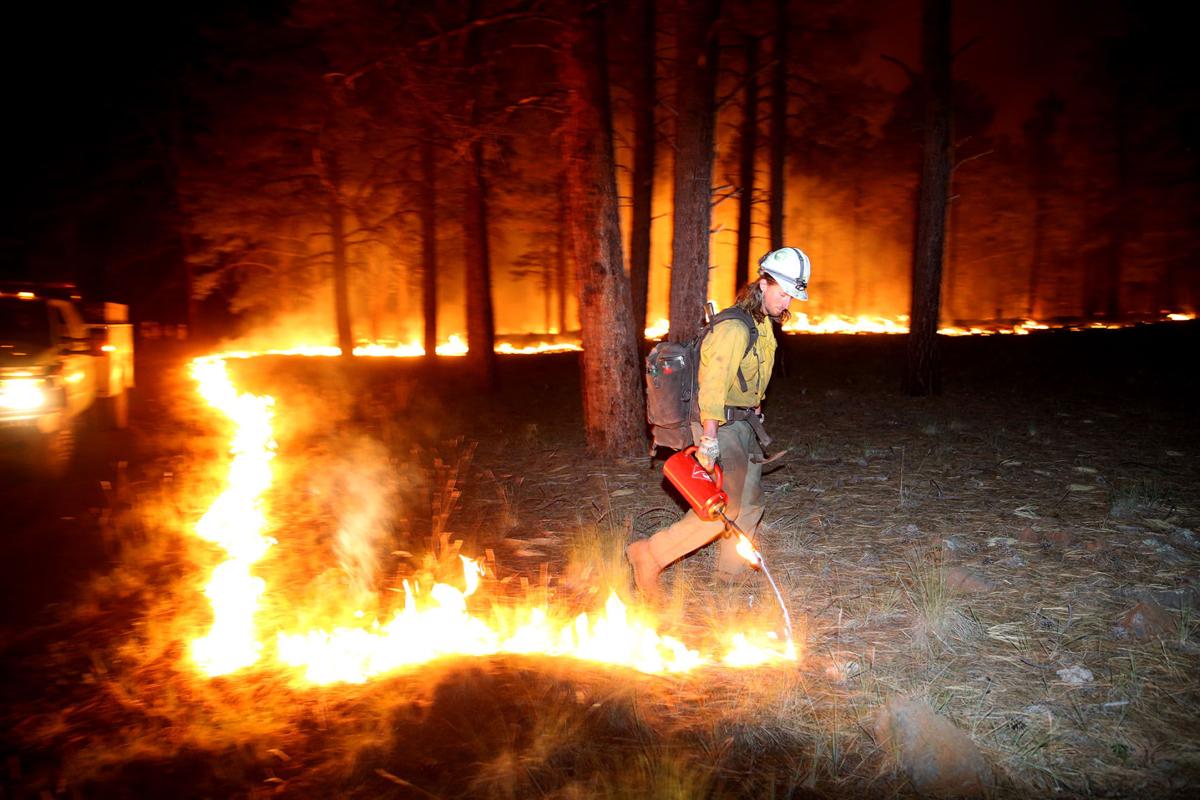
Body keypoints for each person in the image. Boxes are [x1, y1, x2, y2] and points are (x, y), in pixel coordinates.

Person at [627, 247, 811, 602]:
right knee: (722, 506)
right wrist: (708, 437)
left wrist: (754, 405)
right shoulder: (734, 327)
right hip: (719, 424)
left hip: (741, 422)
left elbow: (748, 373)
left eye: (792, 294)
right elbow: (712, 382)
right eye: (783, 292)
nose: (787, 301)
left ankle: (730, 576)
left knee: (751, 499)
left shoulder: (762, 324)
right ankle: (650, 554)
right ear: (763, 283)